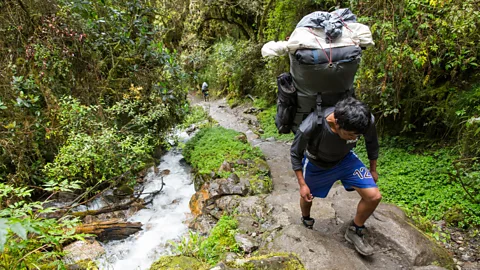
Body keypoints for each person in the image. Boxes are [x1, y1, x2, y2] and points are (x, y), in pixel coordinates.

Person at [290, 97, 381, 256]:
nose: (354, 138)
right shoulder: (311, 126)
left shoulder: (365, 121)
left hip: (346, 160)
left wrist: (373, 169)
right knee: (307, 196)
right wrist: (302, 184)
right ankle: (306, 220)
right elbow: (295, 153)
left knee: (374, 196)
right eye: (350, 135)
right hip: (316, 164)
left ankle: (355, 229)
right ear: (336, 124)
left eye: (357, 135)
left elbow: (372, 142)